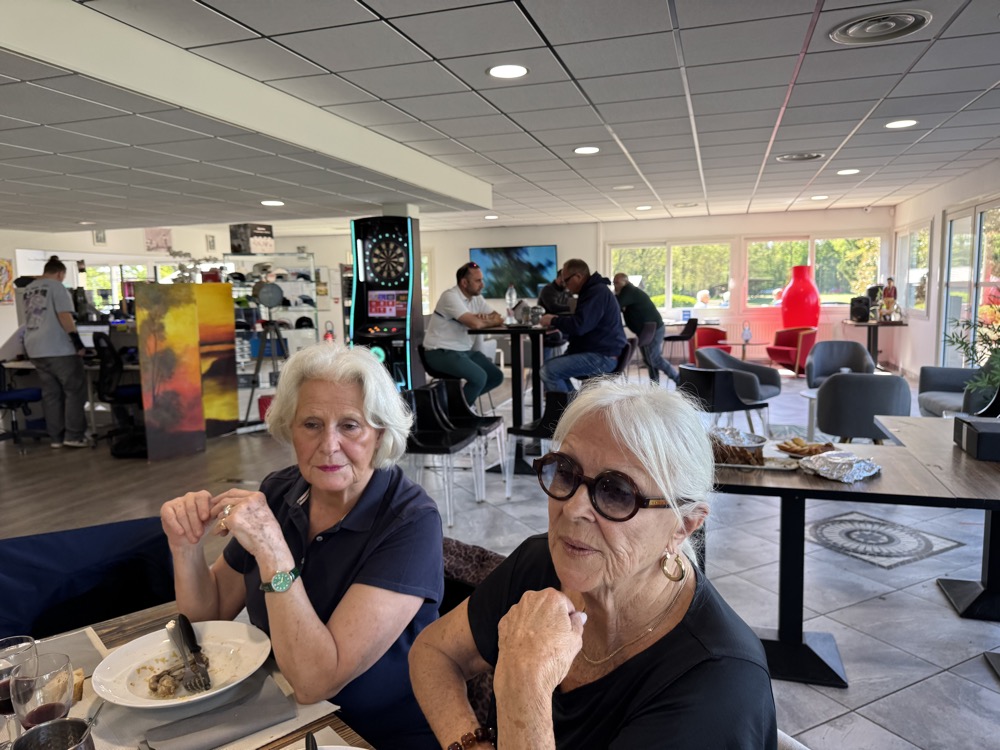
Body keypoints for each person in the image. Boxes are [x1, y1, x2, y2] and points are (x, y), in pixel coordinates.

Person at [409, 380, 777, 748]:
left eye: (617, 492)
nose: (572, 509)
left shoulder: (718, 683)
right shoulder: (541, 565)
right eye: (566, 472)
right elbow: (432, 653)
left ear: (682, 526)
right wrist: (470, 744)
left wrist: (526, 685)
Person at [160, 343, 444, 749]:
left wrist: (273, 553)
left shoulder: (410, 521)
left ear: (380, 433)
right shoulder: (279, 491)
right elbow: (207, 617)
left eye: (350, 425)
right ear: (289, 428)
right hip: (279, 712)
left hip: (374, 734)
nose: (328, 444)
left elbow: (316, 682)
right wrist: (185, 546)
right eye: (311, 424)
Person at [22, 255, 89, 448]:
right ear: (60, 274)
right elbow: (64, 315)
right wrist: (77, 343)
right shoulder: (57, 287)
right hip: (58, 348)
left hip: (34, 348)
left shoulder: (28, 289)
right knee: (74, 391)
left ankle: (56, 438)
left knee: (51, 394)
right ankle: (74, 436)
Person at [423, 262, 504, 405]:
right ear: (464, 283)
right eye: (478, 281)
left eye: (482, 280)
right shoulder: (450, 296)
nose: (483, 285)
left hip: (463, 351)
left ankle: (456, 407)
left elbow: (498, 317)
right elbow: (475, 324)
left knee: (496, 376)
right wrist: (479, 320)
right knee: (479, 378)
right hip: (440, 352)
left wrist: (482, 320)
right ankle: (456, 412)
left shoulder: (476, 298)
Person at [538, 260, 626, 392]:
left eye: (566, 281)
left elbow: (580, 326)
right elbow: (583, 324)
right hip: (601, 352)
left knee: (548, 371)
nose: (566, 286)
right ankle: (574, 403)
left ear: (578, 276)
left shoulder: (596, 292)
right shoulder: (594, 290)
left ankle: (572, 405)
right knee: (554, 369)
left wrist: (553, 320)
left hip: (603, 356)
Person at [613, 273, 679, 385]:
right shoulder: (629, 291)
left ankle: (678, 378)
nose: (615, 285)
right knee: (650, 360)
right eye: (614, 283)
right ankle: (655, 385)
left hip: (652, 329)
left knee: (653, 358)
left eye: (617, 283)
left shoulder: (628, 291)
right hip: (649, 330)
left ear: (625, 282)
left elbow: (616, 305)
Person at [537, 270, 574, 360]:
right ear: (559, 278)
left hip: (561, 325)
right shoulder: (548, 289)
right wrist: (573, 308)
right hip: (548, 327)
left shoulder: (567, 291)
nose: (568, 283)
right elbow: (554, 307)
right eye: (566, 279)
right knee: (558, 335)